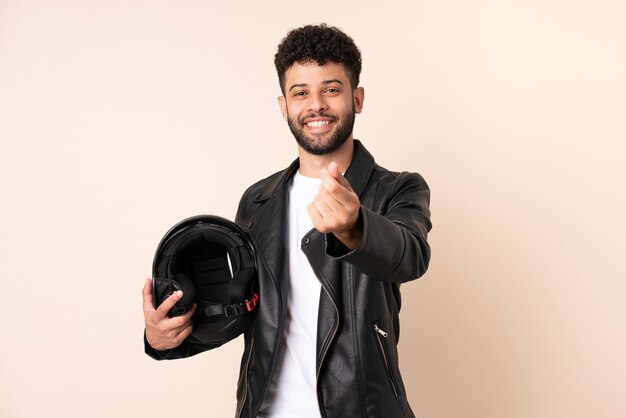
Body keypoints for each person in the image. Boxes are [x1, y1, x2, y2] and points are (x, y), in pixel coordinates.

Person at [142, 23, 432, 418]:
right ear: (284, 106)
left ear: (357, 98)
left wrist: (355, 226)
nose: (316, 105)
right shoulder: (258, 201)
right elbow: (242, 310)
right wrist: (166, 338)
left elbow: (410, 255)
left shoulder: (397, 189)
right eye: (301, 93)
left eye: (331, 89)